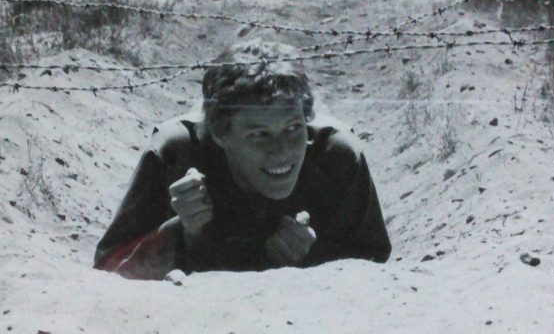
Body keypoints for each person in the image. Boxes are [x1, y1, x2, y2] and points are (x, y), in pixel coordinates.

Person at [94, 39, 391, 279]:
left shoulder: (337, 157)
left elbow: (374, 271)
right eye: (259, 135)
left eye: (293, 128)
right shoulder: (177, 154)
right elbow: (108, 269)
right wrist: (181, 234)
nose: (281, 149)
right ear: (221, 134)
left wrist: (307, 259)